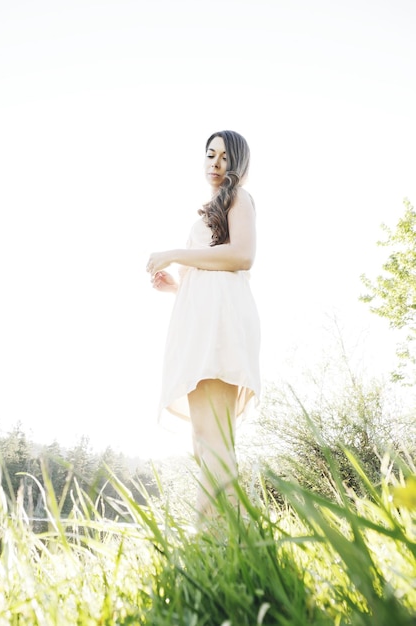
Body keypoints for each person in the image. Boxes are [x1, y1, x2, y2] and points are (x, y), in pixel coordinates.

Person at [146, 130, 260, 523]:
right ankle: (229, 542)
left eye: (224, 157)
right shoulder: (213, 206)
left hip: (220, 330)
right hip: (207, 324)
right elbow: (215, 281)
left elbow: (243, 256)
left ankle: (217, 542)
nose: (215, 163)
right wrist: (178, 287)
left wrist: (175, 254)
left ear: (237, 163)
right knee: (205, 443)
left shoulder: (239, 198)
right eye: (210, 154)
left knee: (213, 443)